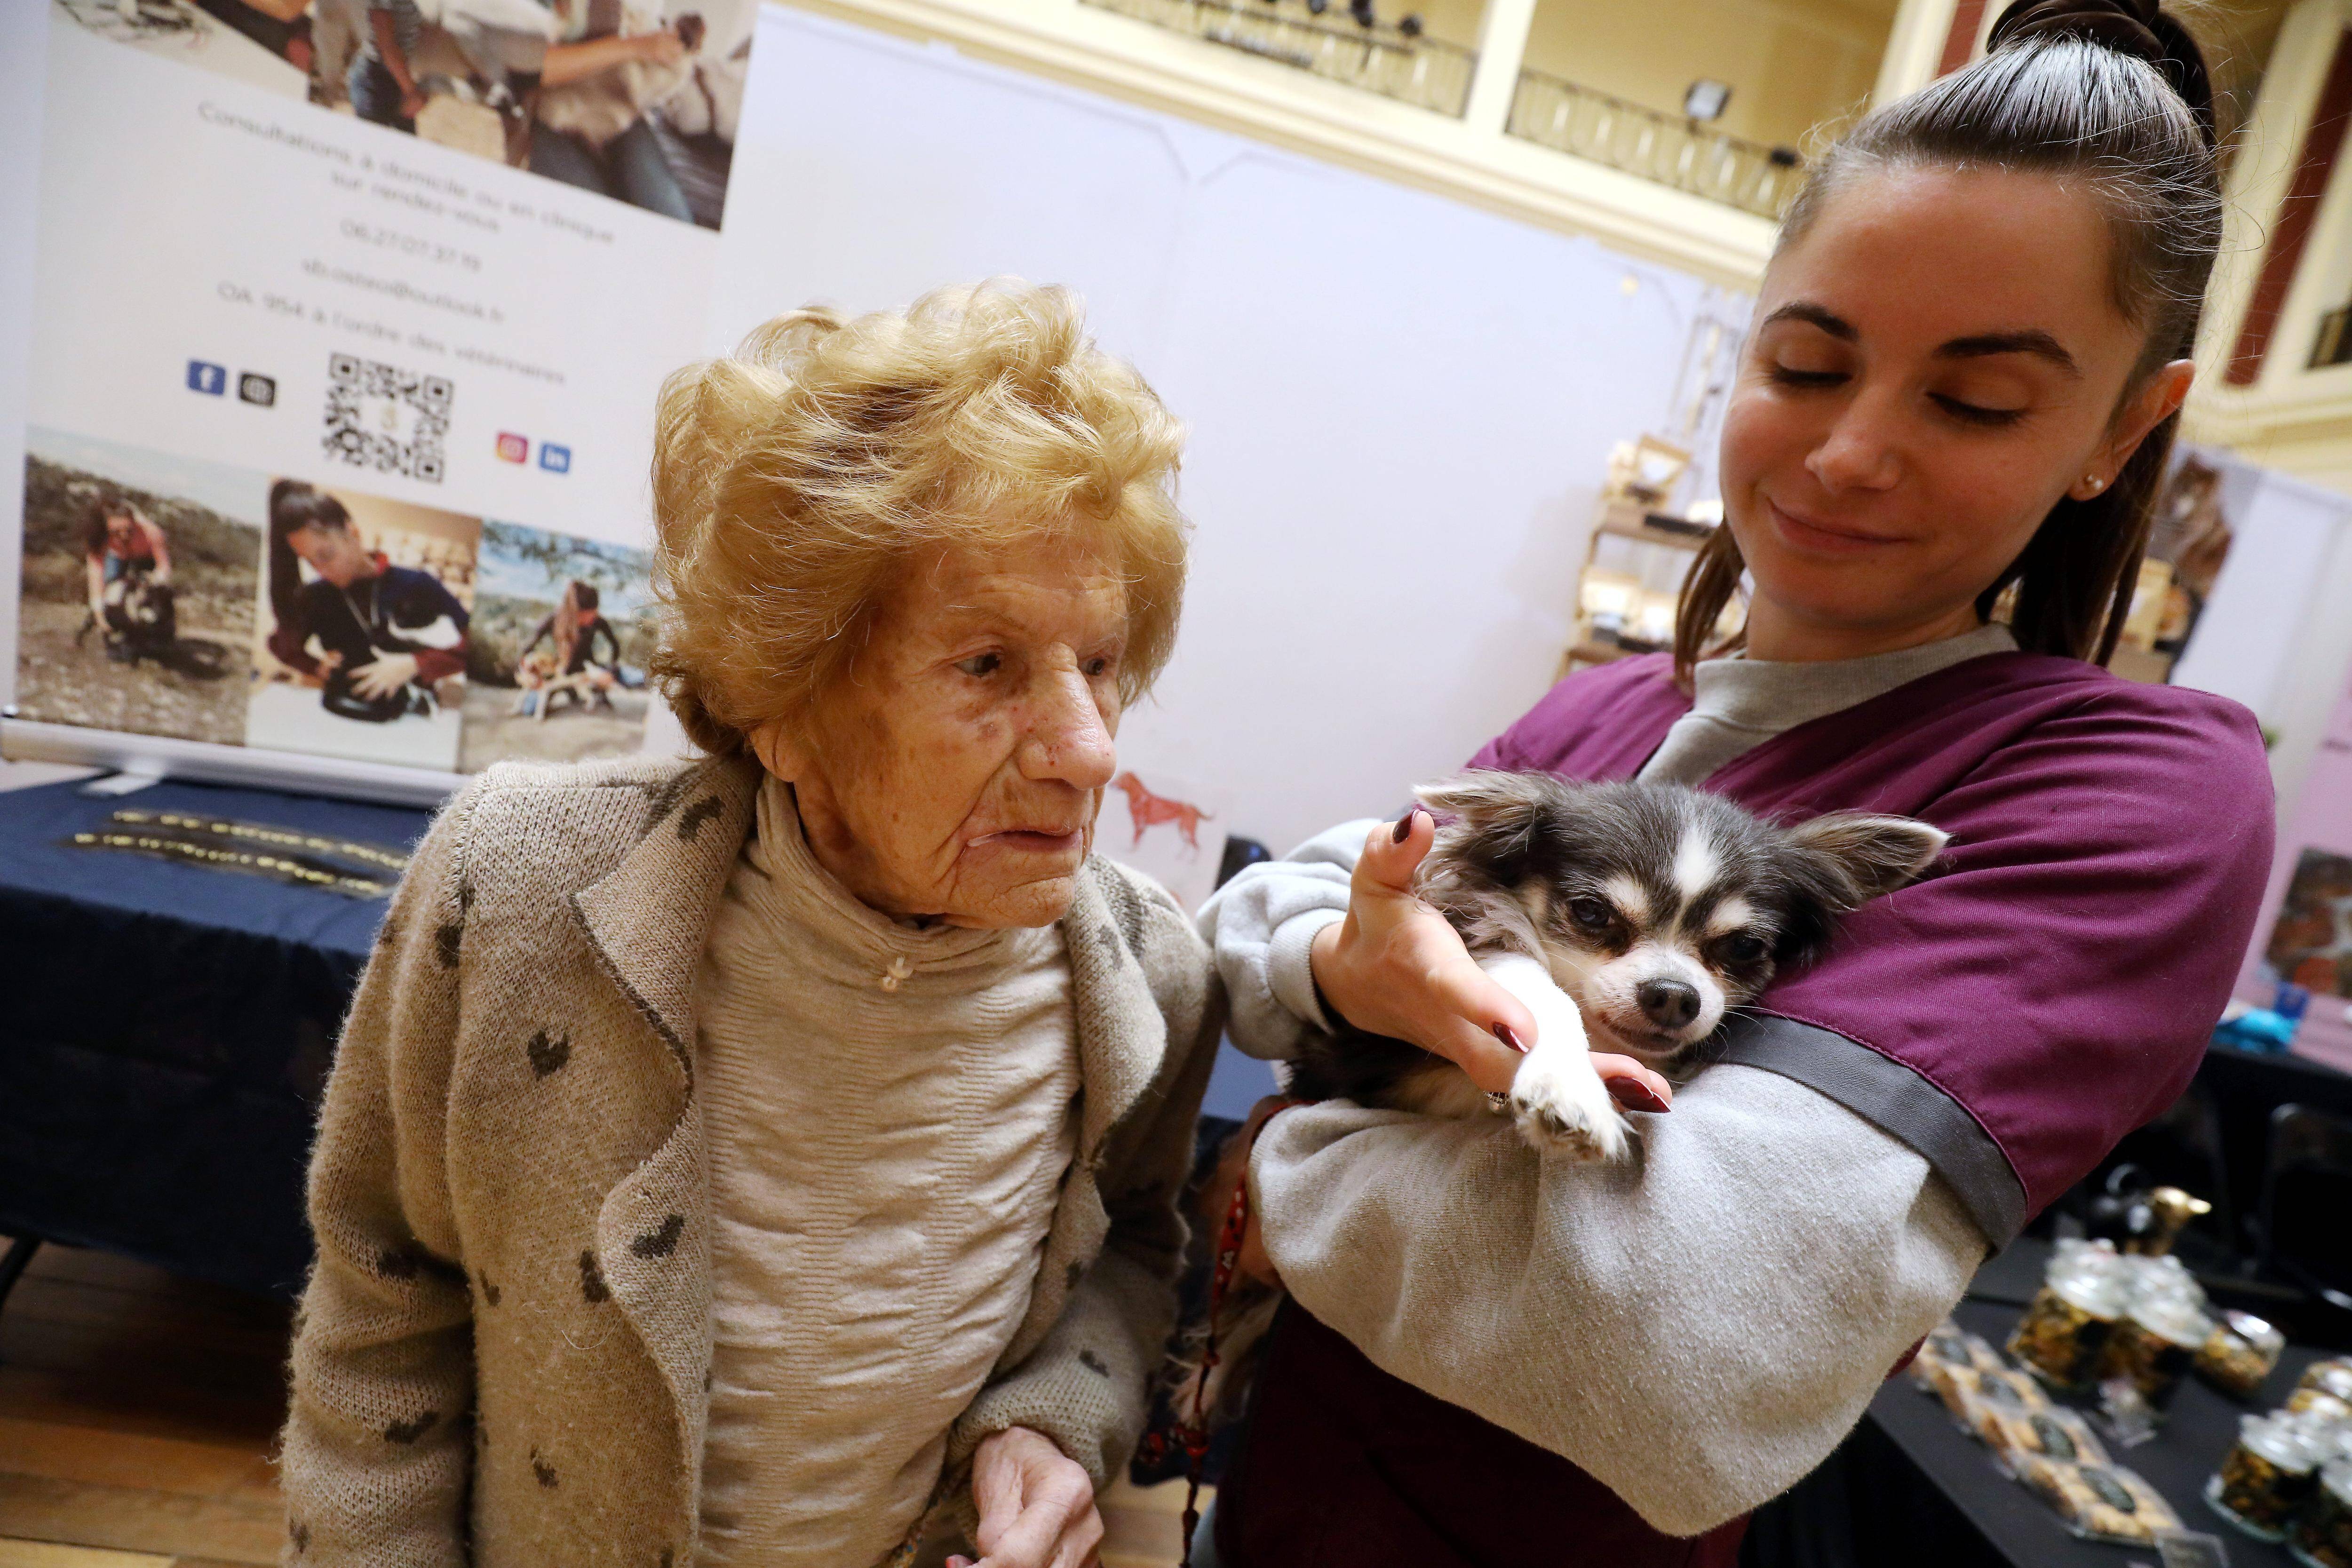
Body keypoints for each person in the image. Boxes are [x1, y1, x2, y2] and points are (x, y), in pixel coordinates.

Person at [1194, 2, 2273, 1562]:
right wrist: (1332, 967)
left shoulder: (2127, 784)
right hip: (1280, 1495)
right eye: (1809, 360)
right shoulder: (1611, 706)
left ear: (2126, 425)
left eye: (1975, 399)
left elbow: (1668, 1343)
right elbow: (1272, 914)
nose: (1846, 454)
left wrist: (1272, 1160)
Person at [278, 282, 1219, 1568]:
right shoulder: (517, 891)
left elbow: (1137, 1252)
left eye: (1100, 662)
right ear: (783, 702)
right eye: (987, 665)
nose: (1088, 748)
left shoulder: (1150, 975)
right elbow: (385, 1291)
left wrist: (1062, 1417)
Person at [264, 480, 470, 722]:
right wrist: (316, 667)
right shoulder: (316, 596)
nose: (322, 571)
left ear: (353, 534)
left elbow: (475, 646)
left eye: (326, 555)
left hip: (413, 711)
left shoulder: (417, 584)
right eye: (310, 562)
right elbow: (281, 645)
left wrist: (414, 665)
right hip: (345, 707)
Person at [512, 578, 625, 716]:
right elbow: (527, 649)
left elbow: (615, 644)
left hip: (585, 673)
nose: (591, 620)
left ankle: (590, 694)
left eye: (594, 615)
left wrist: (610, 669)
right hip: (559, 673)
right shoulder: (554, 619)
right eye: (586, 617)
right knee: (529, 710)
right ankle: (568, 694)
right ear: (574, 612)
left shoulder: (598, 622)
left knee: (594, 693)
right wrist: (527, 673)